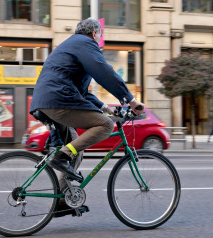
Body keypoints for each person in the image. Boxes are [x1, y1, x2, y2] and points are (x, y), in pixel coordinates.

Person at [30, 19, 144, 216]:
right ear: (94, 34)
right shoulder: (85, 44)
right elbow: (104, 72)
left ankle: (62, 201)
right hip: (58, 99)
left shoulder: (73, 45)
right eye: (100, 35)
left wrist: (109, 108)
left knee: (77, 148)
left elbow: (83, 92)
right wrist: (131, 100)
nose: (100, 39)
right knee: (106, 126)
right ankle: (61, 156)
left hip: (49, 100)